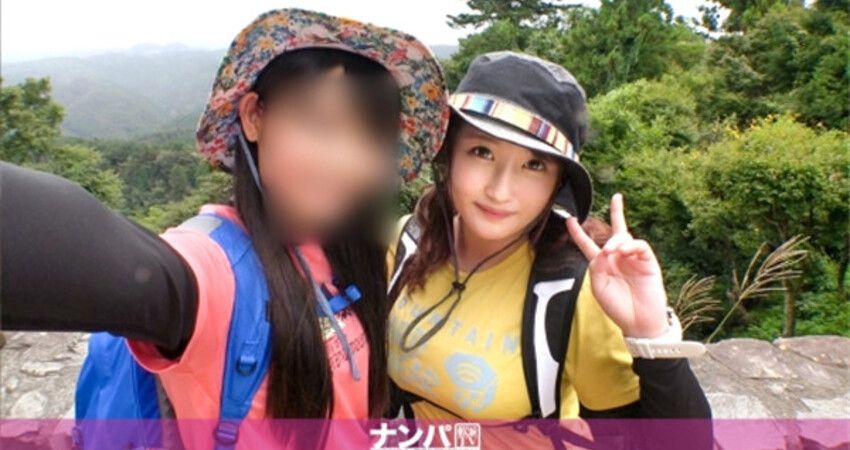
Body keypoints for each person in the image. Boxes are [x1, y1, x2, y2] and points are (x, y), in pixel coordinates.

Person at [0, 8, 448, 449]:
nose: (347, 162)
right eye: (319, 125)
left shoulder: (350, 249)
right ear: (254, 117)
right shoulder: (218, 267)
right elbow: (132, 267)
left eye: (371, 137)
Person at [386, 51, 711, 447]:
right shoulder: (408, 241)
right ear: (449, 154)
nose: (500, 190)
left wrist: (653, 337)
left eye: (534, 165)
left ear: (558, 184)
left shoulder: (570, 288)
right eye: (482, 152)